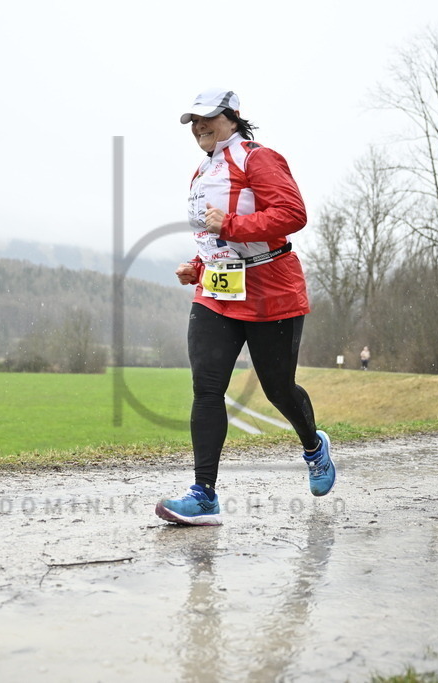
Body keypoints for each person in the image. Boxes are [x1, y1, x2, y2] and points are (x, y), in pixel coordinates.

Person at [154, 88, 336, 526]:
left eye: (207, 118)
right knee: (207, 388)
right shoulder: (201, 172)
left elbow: (292, 214)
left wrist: (233, 224)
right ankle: (204, 495)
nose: (199, 127)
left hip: (272, 288)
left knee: (277, 388)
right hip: (218, 291)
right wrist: (197, 267)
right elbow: (215, 237)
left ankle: (313, 445)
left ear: (232, 118)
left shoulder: (258, 157)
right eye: (193, 121)